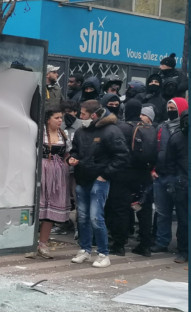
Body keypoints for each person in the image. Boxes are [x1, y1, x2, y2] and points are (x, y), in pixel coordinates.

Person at [68, 100, 130, 268]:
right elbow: (75, 150)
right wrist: (72, 158)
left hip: (99, 179)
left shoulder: (111, 131)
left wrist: (105, 175)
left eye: (83, 114)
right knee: (83, 217)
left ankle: (103, 254)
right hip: (83, 178)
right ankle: (85, 249)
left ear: (93, 115)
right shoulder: (81, 131)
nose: (80, 117)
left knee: (96, 217)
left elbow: (122, 156)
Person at [105, 98, 156, 257]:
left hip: (123, 174)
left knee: (120, 209)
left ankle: (119, 244)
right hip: (144, 174)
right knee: (144, 209)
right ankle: (145, 245)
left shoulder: (120, 127)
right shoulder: (149, 128)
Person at [151, 97, 188, 253]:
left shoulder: (185, 129)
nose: (170, 111)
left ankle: (182, 245)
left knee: (182, 214)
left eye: (174, 109)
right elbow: (154, 148)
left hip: (180, 178)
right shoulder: (162, 127)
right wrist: (152, 169)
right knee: (162, 212)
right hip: (160, 174)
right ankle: (162, 241)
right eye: (169, 108)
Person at [34, 106, 70, 258]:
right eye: (57, 118)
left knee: (50, 209)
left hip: (58, 174)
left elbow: (67, 154)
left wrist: (69, 161)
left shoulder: (64, 134)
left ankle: (43, 243)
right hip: (42, 172)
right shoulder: (39, 133)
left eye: (61, 118)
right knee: (38, 206)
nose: (60, 120)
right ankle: (30, 242)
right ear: (48, 120)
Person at [51, 100, 83, 236]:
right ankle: (62, 223)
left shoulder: (81, 126)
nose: (66, 115)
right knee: (61, 197)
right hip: (61, 167)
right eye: (64, 113)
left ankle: (79, 227)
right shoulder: (60, 125)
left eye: (69, 112)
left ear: (76, 112)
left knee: (78, 197)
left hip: (76, 168)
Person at [165, 110, 188, 263]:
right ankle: (184, 250)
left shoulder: (176, 137)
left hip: (182, 183)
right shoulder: (177, 138)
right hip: (183, 184)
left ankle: (184, 251)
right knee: (184, 220)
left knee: (184, 219)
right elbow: (170, 163)